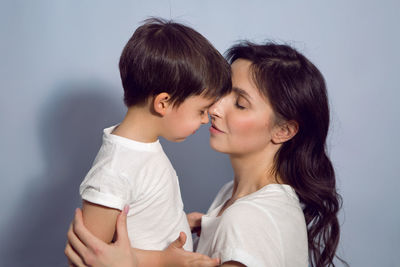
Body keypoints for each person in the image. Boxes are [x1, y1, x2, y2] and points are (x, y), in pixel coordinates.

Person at [66, 42, 346, 267]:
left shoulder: (249, 219)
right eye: (222, 93)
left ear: (284, 131)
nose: (214, 108)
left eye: (240, 103)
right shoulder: (230, 197)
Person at [64, 17, 230, 266]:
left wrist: (179, 222)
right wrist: (163, 260)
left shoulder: (142, 149)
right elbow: (89, 256)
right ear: (163, 103)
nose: (206, 120)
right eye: (201, 111)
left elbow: (140, 214)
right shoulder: (113, 170)